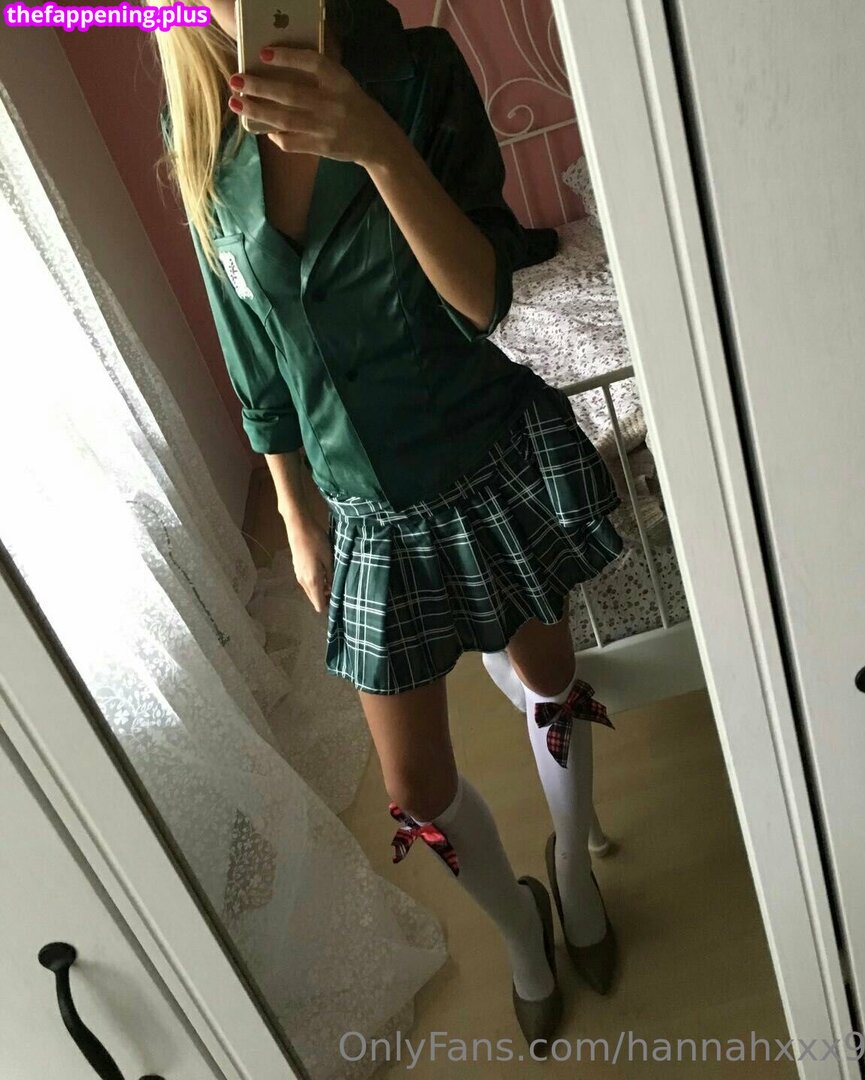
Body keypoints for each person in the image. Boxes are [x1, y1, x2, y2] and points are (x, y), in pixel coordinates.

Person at [152, 0, 625, 1043]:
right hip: (362, 501)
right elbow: (253, 357)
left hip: (486, 456)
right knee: (413, 787)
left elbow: (482, 299)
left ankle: (573, 866)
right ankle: (519, 927)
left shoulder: (416, 72)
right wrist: (295, 512)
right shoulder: (199, 128)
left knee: (548, 678)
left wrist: (374, 143)